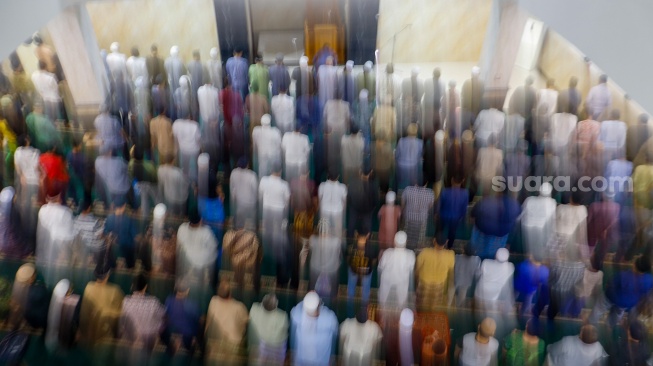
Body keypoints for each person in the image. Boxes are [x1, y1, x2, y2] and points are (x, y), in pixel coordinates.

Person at [589, 255, 653, 326]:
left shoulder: (623, 275)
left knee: (599, 308)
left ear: (634, 265)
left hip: (610, 297)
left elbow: (610, 284)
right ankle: (609, 326)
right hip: (626, 303)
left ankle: (591, 323)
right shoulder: (650, 280)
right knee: (617, 314)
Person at [78, 257, 125, 346]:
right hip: (106, 338)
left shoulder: (88, 287)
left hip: (90, 335)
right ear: (107, 275)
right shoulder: (115, 291)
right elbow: (121, 316)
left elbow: (84, 315)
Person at [258, 164, 291, 287]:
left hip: (267, 209)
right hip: (279, 211)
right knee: (279, 234)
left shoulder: (264, 181)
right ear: (280, 171)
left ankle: (267, 250)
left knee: (268, 232)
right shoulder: (284, 185)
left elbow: (260, 195)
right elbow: (287, 201)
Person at [176, 209, 218, 303]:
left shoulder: (182, 228)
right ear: (200, 220)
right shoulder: (206, 232)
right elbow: (214, 247)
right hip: (202, 263)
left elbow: (178, 246)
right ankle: (211, 282)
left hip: (186, 262)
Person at [119, 274, 165, 354]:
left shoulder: (125, 301)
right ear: (145, 287)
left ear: (132, 286)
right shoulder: (153, 302)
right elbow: (163, 316)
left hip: (131, 338)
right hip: (148, 341)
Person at [36, 191, 75, 287]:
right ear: (59, 197)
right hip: (60, 254)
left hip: (46, 254)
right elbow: (70, 237)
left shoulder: (42, 210)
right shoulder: (65, 213)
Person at [290, 291, 339, 366]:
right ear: (318, 304)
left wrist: (309, 298)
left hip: (301, 360)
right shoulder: (330, 318)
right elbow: (335, 333)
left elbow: (295, 310)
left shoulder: (297, 316)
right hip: (321, 362)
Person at [205, 280, 249, 363]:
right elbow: (246, 322)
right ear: (230, 293)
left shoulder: (213, 301)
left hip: (214, 344)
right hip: (232, 346)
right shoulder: (239, 307)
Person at [470, 191, 521, 260]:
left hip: (482, 230)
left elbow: (473, 213)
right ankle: (492, 260)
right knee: (494, 252)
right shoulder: (515, 205)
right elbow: (516, 220)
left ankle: (478, 260)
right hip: (501, 235)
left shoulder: (486, 201)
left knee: (478, 250)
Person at [161, 280, 202, 354]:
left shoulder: (168, 300)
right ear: (187, 290)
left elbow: (164, 317)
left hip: (170, 334)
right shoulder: (193, 304)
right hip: (187, 337)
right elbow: (197, 321)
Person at [248, 293, 289, 365]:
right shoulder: (282, 316)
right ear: (276, 306)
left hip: (258, 351)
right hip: (274, 353)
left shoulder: (254, 309)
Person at [378, 231, 415, 308]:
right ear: (406, 242)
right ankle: (399, 313)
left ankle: (383, 309)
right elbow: (411, 269)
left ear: (394, 241)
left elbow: (380, 267)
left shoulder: (387, 252)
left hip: (387, 279)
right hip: (402, 281)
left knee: (383, 299)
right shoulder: (410, 255)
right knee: (401, 301)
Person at [222, 220, 261, 293]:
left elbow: (226, 250)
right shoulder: (251, 235)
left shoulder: (228, 235)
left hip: (239, 262)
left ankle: (240, 285)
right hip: (248, 262)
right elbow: (256, 250)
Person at [416, 237, 455, 309]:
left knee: (422, 303)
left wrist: (416, 279)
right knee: (434, 304)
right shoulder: (450, 255)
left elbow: (418, 268)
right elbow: (451, 272)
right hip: (439, 284)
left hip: (425, 282)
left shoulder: (425, 252)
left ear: (434, 241)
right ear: (446, 242)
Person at [520, 182, 557, 260]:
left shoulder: (529, 200)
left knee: (529, 248)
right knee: (539, 251)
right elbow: (552, 221)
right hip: (541, 230)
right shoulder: (552, 203)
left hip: (527, 227)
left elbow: (521, 216)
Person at [474, 248, 515, 317]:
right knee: (491, 304)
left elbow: (477, 274)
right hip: (495, 292)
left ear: (495, 256)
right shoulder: (510, 267)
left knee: (477, 301)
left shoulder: (486, 262)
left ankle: (477, 308)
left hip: (482, 289)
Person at [309, 219, 342, 301]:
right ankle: (334, 297)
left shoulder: (313, 239)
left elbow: (311, 246)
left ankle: (310, 296)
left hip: (316, 266)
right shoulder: (336, 241)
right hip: (331, 268)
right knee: (334, 283)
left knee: (312, 283)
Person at [346, 230, 378, 314]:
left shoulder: (351, 247)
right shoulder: (371, 249)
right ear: (368, 236)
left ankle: (350, 312)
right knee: (365, 292)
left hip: (354, 270)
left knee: (351, 292)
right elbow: (374, 261)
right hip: (366, 272)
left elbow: (348, 259)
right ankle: (364, 312)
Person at [323, 90, 350, 178]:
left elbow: (325, 116)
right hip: (341, 129)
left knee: (331, 148)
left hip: (331, 129)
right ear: (341, 96)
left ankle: (330, 167)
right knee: (340, 147)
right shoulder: (346, 105)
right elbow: (347, 118)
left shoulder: (328, 103)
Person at [437, 175, 469, 248]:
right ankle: (449, 247)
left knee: (440, 231)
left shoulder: (445, 191)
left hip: (443, 216)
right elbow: (464, 208)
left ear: (452, 181)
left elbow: (440, 205)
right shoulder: (465, 193)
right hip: (456, 218)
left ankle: (438, 245)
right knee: (452, 233)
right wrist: (463, 218)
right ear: (462, 181)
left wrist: (437, 214)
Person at [347, 166, 378, 237]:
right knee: (367, 228)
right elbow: (375, 201)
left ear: (360, 172)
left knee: (351, 226)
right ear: (370, 173)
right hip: (367, 211)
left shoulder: (353, 183)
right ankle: (367, 243)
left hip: (354, 209)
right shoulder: (373, 186)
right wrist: (371, 210)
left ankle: (349, 241)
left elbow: (349, 198)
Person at [401, 182, 434, 250]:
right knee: (421, 236)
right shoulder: (430, 193)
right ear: (426, 183)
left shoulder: (407, 190)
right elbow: (430, 206)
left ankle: (404, 245)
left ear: (416, 181)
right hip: (422, 218)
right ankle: (419, 246)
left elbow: (403, 204)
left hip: (408, 217)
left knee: (406, 233)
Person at [73, 199, 105, 266]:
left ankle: (88, 258)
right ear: (89, 208)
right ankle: (97, 261)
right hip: (94, 246)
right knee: (103, 244)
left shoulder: (76, 220)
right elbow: (100, 235)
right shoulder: (94, 221)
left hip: (84, 245)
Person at [230, 158, 258, 230]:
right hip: (250, 204)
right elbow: (255, 190)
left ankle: (239, 238)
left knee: (239, 225)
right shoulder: (252, 175)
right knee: (251, 225)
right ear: (247, 165)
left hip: (239, 204)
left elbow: (232, 190)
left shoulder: (234, 173)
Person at [172, 114, 201, 183]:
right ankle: (196, 182)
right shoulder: (195, 125)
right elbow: (198, 140)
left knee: (185, 167)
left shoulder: (177, 123)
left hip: (183, 150)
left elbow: (175, 138)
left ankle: (184, 180)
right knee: (197, 167)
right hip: (194, 150)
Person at [318, 172, 347, 238]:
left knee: (324, 231)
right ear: (338, 176)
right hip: (337, 211)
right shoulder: (342, 187)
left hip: (325, 210)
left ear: (328, 175)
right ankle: (337, 246)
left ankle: (325, 246)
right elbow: (344, 202)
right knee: (337, 231)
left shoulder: (322, 185)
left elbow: (320, 199)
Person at [252, 114, 281, 178]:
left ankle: (262, 185)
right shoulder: (275, 132)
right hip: (272, 154)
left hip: (262, 154)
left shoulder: (256, 131)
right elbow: (279, 145)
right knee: (273, 172)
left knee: (262, 171)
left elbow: (255, 144)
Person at [395, 123, 423, 190]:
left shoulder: (401, 140)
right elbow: (420, 157)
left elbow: (397, 155)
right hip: (413, 167)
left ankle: (398, 192)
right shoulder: (420, 143)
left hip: (401, 166)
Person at [186, 50, 205, 116]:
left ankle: (195, 116)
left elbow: (188, 74)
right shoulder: (201, 64)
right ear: (197, 56)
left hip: (193, 86)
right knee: (200, 103)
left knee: (194, 103)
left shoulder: (189, 64)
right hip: (199, 86)